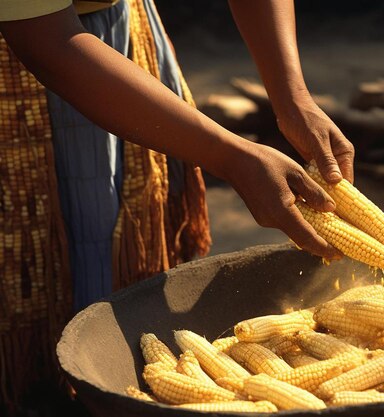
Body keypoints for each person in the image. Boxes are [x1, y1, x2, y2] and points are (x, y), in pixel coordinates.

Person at [0, 0, 354, 413]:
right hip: (41, 54)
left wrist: (293, 98)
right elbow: (46, 41)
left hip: (123, 36)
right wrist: (232, 159)